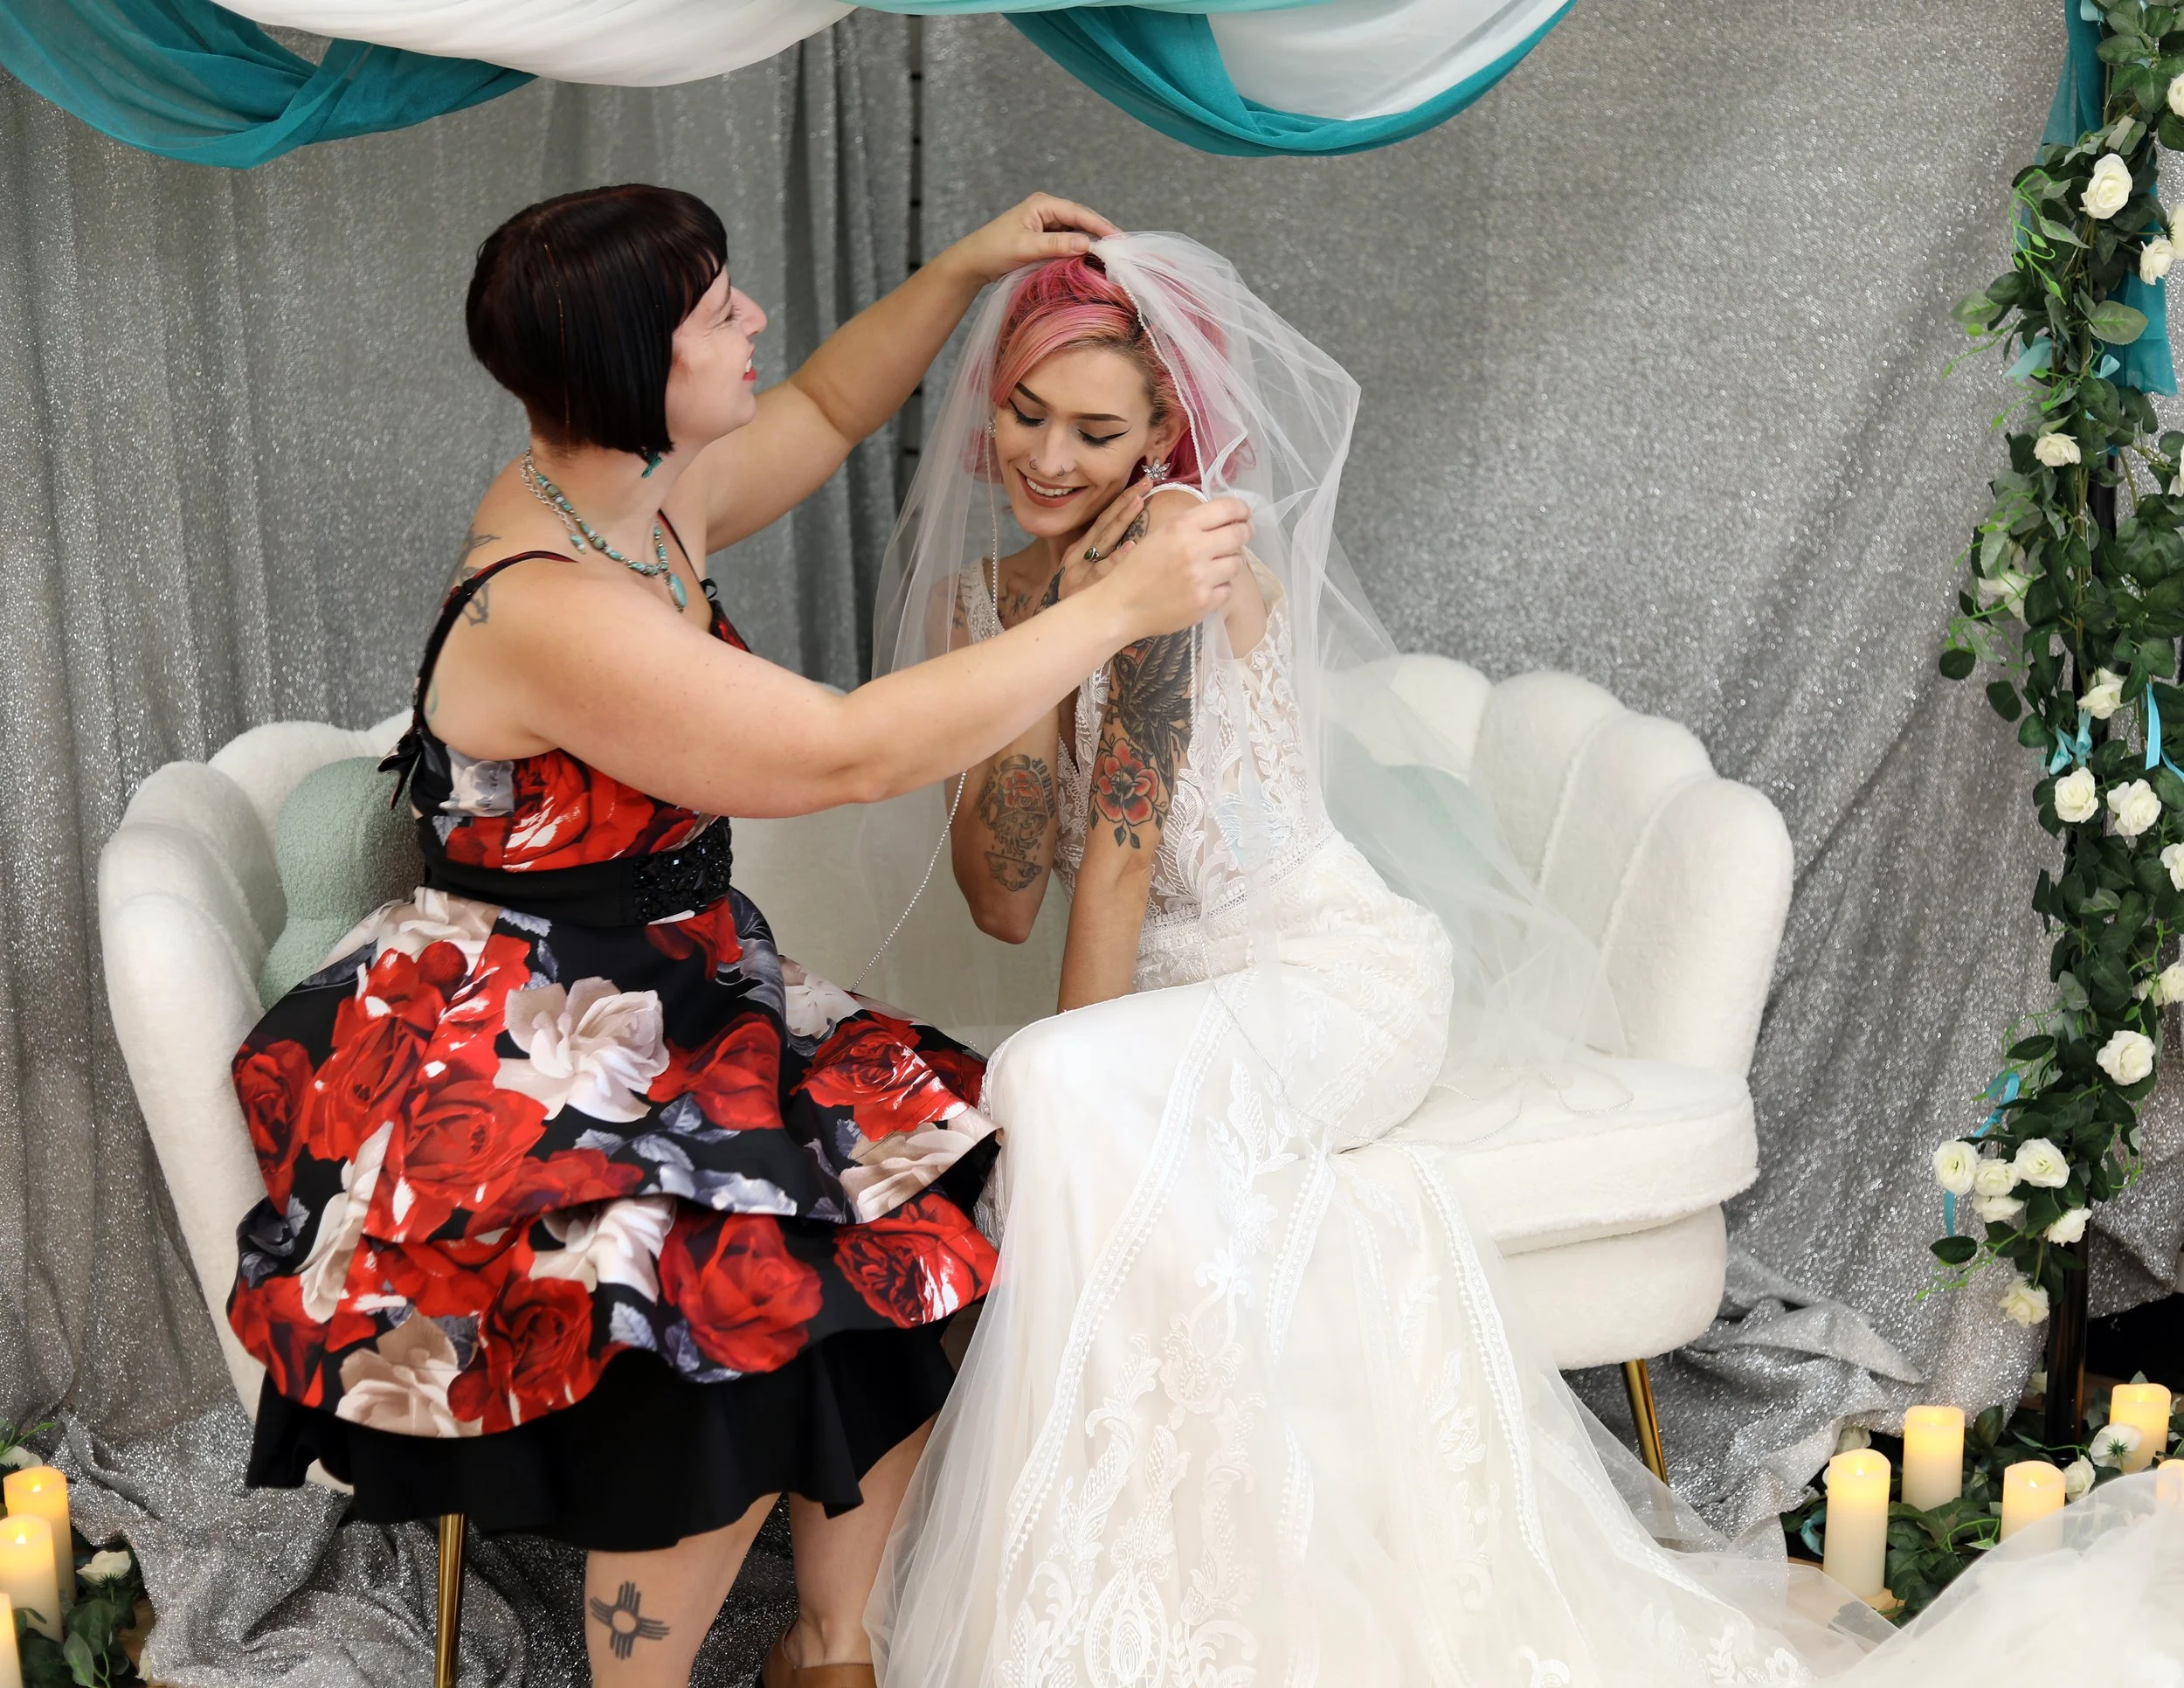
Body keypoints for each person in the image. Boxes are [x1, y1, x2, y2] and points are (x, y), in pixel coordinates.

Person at [865, 234, 2184, 1686]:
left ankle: (1120, 1583)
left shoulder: (1184, 553)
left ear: (1167, 433)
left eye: (1097, 427)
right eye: (1023, 413)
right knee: (1075, 1105)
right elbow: (1003, 893)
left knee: (1054, 1087)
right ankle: (1139, 1577)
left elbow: (1117, 866)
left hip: (1325, 973)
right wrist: (1036, 660)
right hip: (1194, 999)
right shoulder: (984, 604)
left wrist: (1100, 1077)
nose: (1049, 455)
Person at [221, 186, 1250, 1688]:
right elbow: (839, 753)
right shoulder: (549, 602)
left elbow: (831, 404)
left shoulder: (635, 494)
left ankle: (834, 1648)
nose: (754, 320)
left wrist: (965, 267)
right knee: (728, 1303)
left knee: (930, 1188)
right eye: (718, 310)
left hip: (677, 981)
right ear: (643, 365)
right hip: (520, 1026)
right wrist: (1112, 609)